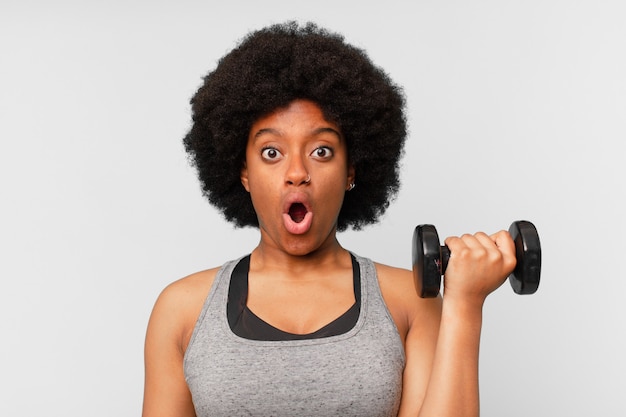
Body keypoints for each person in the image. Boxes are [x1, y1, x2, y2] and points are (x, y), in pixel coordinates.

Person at [142, 21, 517, 417]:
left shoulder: (409, 300)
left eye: (321, 151)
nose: (297, 172)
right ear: (243, 172)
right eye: (272, 152)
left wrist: (464, 303)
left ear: (351, 170)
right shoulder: (181, 310)